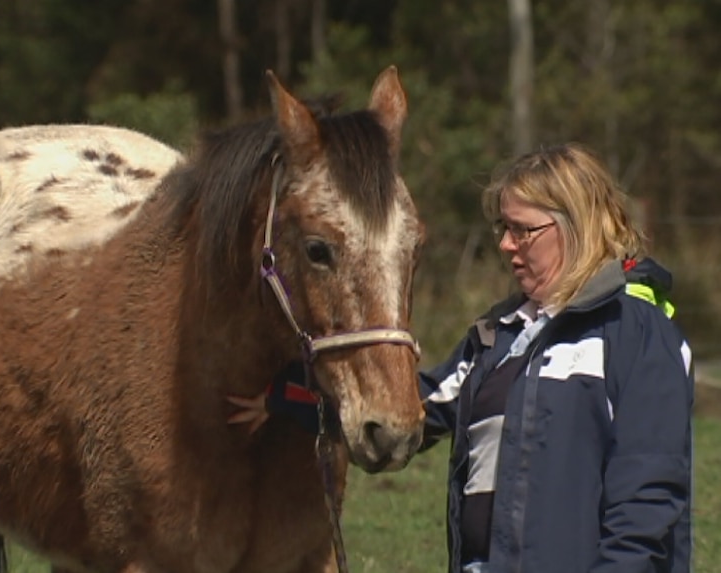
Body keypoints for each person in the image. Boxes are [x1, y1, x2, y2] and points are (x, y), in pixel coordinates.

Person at [228, 142, 693, 573]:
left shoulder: (636, 330)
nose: (506, 245)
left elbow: (647, 498)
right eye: (502, 228)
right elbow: (420, 409)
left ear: (576, 225)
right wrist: (284, 400)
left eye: (522, 230)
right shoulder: (500, 335)